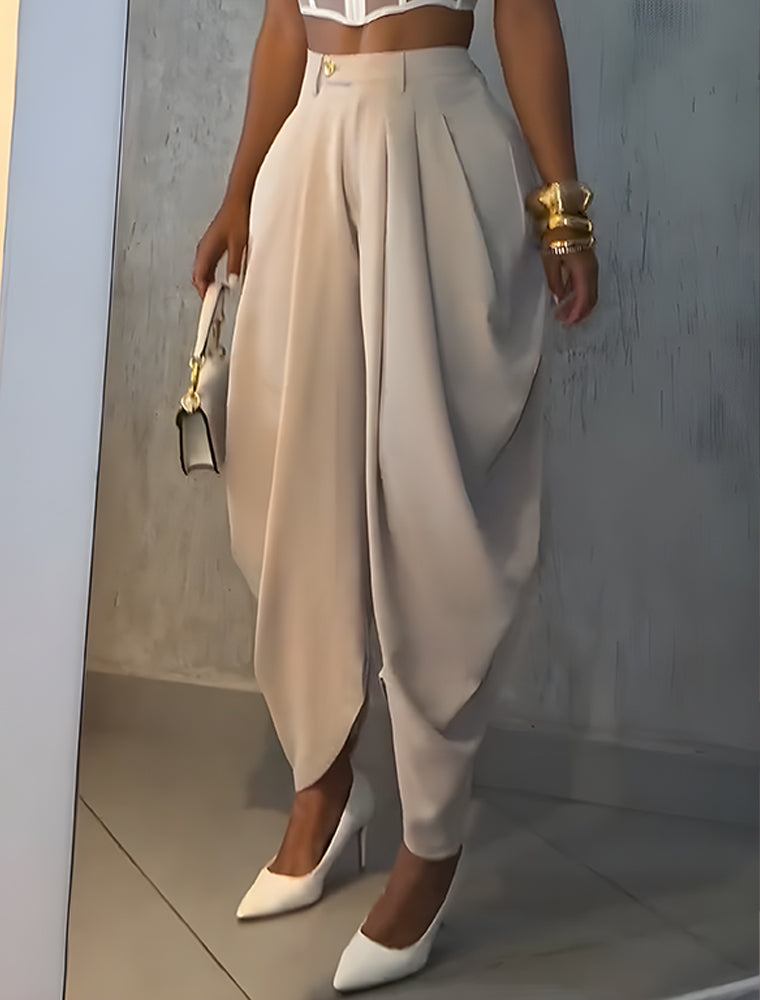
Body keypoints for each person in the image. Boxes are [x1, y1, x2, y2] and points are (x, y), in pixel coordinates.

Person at [192, 0, 598, 991]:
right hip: (310, 148)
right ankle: (324, 785)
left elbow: (524, 14)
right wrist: (238, 189)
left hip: (439, 146)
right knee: (291, 483)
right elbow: (283, 28)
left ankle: (432, 836)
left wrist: (562, 207)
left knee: (432, 498)